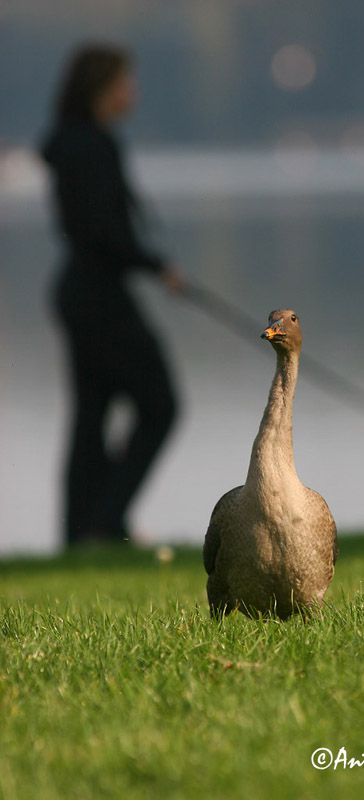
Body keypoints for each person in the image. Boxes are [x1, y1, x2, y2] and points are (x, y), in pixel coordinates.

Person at [40, 44, 184, 546]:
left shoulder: (68, 144)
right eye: (127, 81)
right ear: (105, 87)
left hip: (78, 292)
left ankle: (83, 530)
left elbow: (92, 231)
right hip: (100, 297)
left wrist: (146, 263)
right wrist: (156, 266)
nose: (133, 92)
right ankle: (104, 520)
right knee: (160, 404)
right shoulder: (96, 147)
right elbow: (106, 233)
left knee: (92, 412)